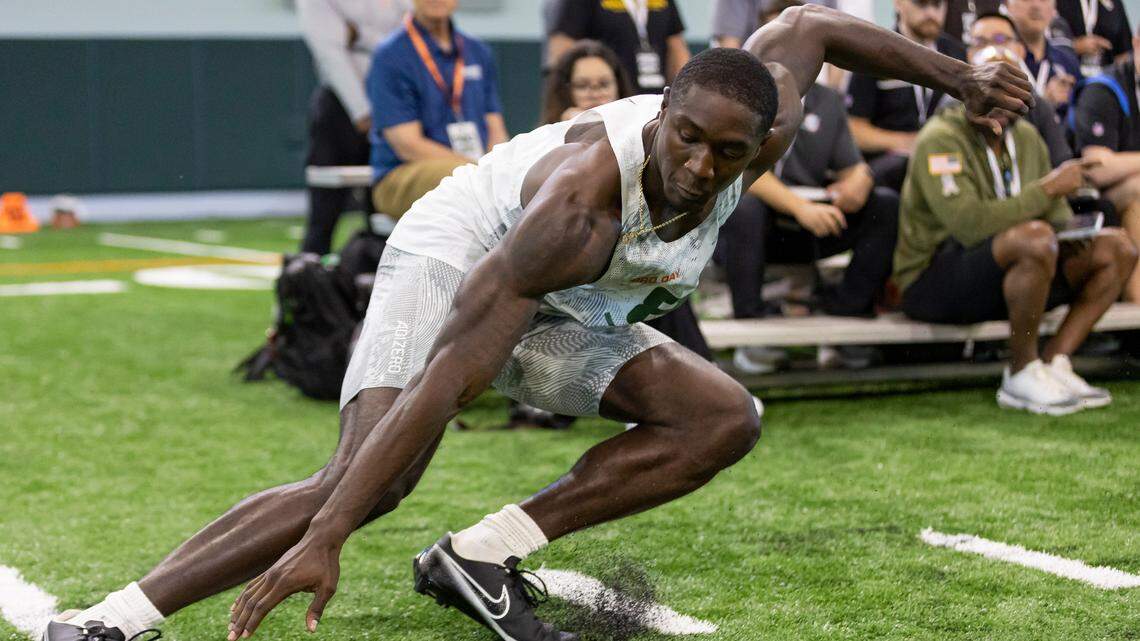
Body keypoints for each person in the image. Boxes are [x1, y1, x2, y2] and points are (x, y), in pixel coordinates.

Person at [43, 7, 1034, 641]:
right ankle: (111, 618)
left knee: (722, 416)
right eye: (681, 139)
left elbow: (817, 24)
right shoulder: (579, 201)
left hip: (577, 298)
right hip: (464, 255)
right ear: (660, 120)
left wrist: (962, 78)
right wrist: (333, 531)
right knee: (363, 475)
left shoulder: (747, 125)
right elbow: (449, 378)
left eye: (721, 152)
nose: (695, 165)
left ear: (753, 146)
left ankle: (478, 551)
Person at [894, 43, 1137, 416]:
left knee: (1117, 247)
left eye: (1008, 92)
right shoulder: (939, 138)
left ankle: (1054, 363)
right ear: (967, 88)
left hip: (1008, 268)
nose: (996, 99)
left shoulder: (1026, 138)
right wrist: (1048, 190)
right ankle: (1020, 371)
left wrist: (1075, 228)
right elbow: (970, 226)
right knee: (1034, 239)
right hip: (933, 277)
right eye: (989, 88)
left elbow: (1054, 213)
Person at [368, 0, 508, 219]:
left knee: (520, 174)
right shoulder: (391, 55)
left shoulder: (478, 51)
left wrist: (500, 168)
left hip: (474, 171)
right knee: (460, 180)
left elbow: (496, 129)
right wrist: (477, 170)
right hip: (401, 175)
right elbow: (408, 146)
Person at [297, 0, 411, 254]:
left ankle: (381, 286)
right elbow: (329, 51)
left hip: (393, 106)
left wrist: (359, 35)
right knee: (324, 214)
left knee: (386, 216)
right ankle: (309, 286)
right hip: (340, 109)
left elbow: (410, 34)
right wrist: (362, 111)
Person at [847, 0, 968, 192]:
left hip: (946, 157)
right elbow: (854, 129)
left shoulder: (957, 55)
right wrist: (909, 141)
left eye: (937, 5)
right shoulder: (874, 53)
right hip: (891, 164)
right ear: (898, 4)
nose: (930, 13)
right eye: (921, 4)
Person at [1071, 25, 1140, 300]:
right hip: (1090, 199)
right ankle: (1137, 314)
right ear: (1136, 42)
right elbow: (1097, 168)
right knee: (1138, 188)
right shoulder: (1104, 89)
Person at [966, 11, 1074, 167]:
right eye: (980, 42)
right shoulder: (954, 104)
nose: (991, 49)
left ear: (1020, 51)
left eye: (1000, 40)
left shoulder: (1037, 107)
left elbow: (1062, 166)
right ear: (969, 54)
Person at [547, 0, 690, 95]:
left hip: (655, 98)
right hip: (608, 102)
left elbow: (676, 47)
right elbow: (563, 51)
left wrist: (684, 93)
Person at [1007, 0, 1083, 113]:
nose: (1036, 5)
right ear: (1008, 5)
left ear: (1054, 7)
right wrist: (1044, 103)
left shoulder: (1068, 62)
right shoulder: (999, 60)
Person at [541, 40, 633, 124]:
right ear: (564, 91)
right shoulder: (547, 138)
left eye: (604, 84)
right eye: (582, 86)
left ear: (619, 86)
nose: (595, 94)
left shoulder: (640, 130)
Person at [1056, 0, 1133, 75]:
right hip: (1067, 76)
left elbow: (1124, 52)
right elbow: (1049, 44)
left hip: (1104, 80)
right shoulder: (1058, 3)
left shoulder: (1115, 4)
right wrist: (1075, 46)